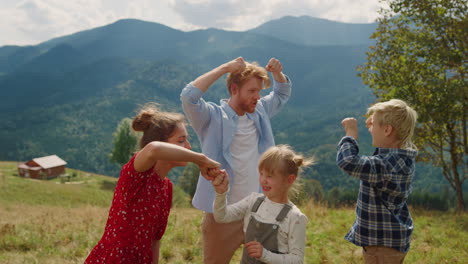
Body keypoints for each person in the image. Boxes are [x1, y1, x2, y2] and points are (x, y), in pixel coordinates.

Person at [180, 57, 292, 263]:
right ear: (233, 89)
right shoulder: (211, 117)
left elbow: (282, 92)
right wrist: (224, 68)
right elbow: (189, 97)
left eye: (259, 91)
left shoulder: (259, 111)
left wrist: (277, 74)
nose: (258, 96)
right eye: (251, 91)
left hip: (259, 214)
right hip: (223, 215)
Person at [84, 103, 220, 264]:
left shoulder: (166, 187)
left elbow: (155, 239)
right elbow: (153, 149)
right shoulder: (136, 175)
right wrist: (200, 159)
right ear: (162, 143)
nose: (189, 147)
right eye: (181, 141)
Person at [336, 99, 418, 264]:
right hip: (390, 241)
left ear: (387, 130)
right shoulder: (399, 159)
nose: (369, 127)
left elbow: (348, 161)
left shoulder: (388, 165)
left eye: (372, 124)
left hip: (382, 245)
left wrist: (350, 135)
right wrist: (375, 121)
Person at [210, 145, 312, 264]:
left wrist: (265, 255)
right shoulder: (252, 201)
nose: (263, 180)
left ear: (289, 179)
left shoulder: (295, 217)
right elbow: (221, 216)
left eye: (270, 176)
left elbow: (297, 260)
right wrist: (221, 193)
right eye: (261, 174)